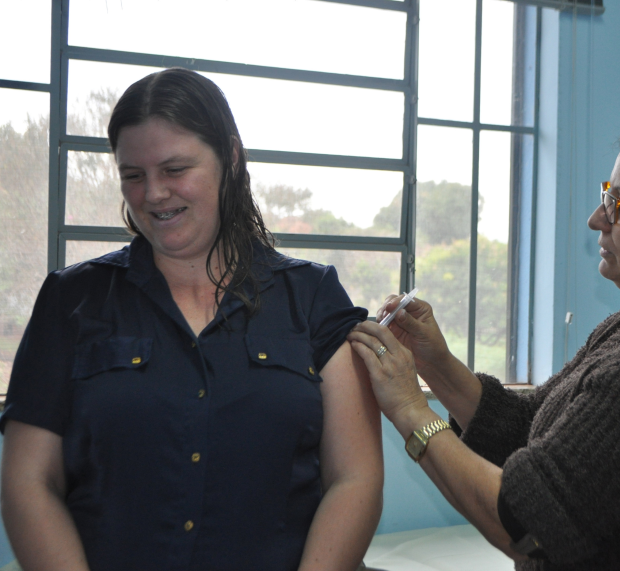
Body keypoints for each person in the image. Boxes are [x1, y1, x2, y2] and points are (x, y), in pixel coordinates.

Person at [348, 110, 620, 570]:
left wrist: (410, 410)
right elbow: (532, 431)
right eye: (607, 197)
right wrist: (436, 364)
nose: (596, 220)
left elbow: (523, 526)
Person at [0, 68, 383, 571]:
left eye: (175, 169)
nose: (154, 193)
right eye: (133, 176)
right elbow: (29, 482)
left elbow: (354, 477)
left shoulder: (313, 298)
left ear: (231, 157)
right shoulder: (72, 299)